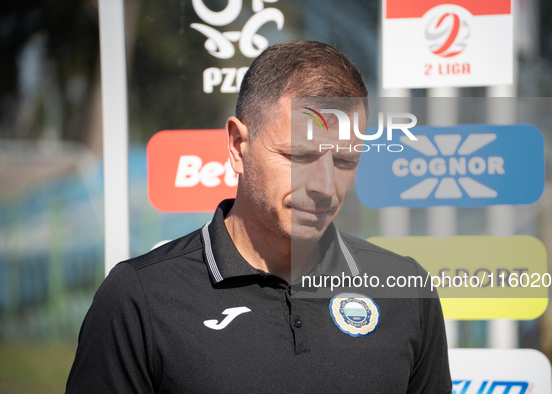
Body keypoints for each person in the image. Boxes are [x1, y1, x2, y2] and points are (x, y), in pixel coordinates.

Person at [66, 40, 452, 393]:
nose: (323, 186)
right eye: (298, 156)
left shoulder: (407, 292)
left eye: (345, 161)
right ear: (238, 146)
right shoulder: (140, 299)